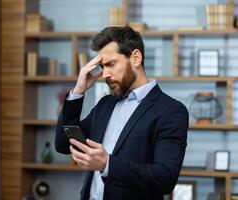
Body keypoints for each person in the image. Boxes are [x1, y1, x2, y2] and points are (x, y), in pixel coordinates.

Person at [55, 26, 189, 200]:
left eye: (111, 64)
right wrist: (78, 91)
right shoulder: (105, 104)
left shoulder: (171, 111)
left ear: (135, 58)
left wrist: (107, 164)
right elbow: (63, 145)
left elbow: (165, 178)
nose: (105, 74)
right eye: (102, 67)